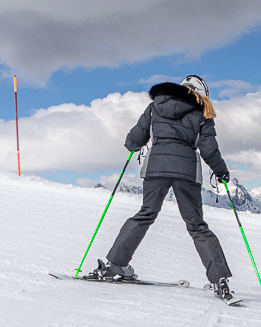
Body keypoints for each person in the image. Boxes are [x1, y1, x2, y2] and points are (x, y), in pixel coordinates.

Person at [91, 75, 237, 300]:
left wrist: (133, 145)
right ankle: (220, 280)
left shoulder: (155, 106)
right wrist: (222, 172)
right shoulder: (202, 113)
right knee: (196, 225)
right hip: (186, 170)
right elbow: (209, 150)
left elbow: (135, 138)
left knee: (146, 214)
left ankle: (115, 264)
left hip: (156, 167)